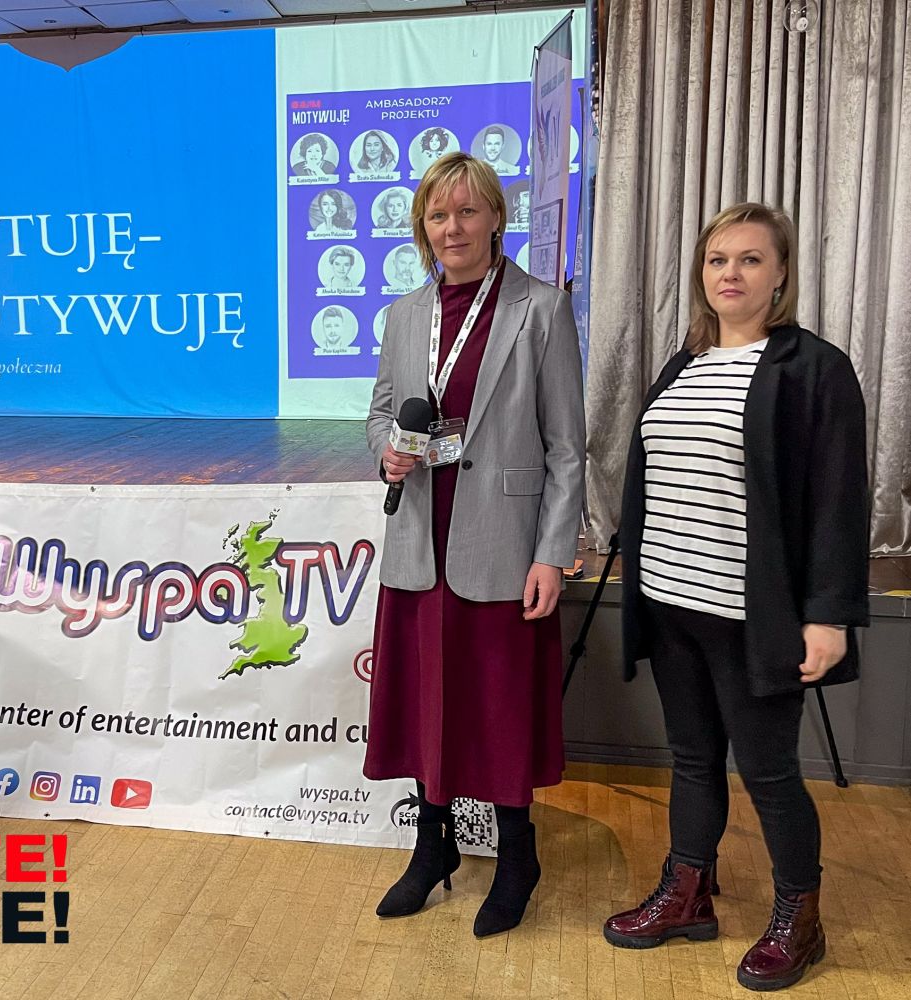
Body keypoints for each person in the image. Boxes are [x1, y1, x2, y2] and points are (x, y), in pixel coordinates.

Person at [602, 203, 869, 992]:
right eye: (717, 259)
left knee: (768, 772)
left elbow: (838, 501)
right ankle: (687, 892)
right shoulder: (682, 364)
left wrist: (827, 616)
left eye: (750, 259)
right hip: (669, 601)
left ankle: (799, 918)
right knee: (690, 759)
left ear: (779, 273)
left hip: (751, 616)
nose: (730, 273)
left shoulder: (813, 368)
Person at [364, 152, 584, 935]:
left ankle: (517, 855)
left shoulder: (539, 309)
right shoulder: (403, 315)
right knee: (427, 702)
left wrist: (551, 552)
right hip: (419, 542)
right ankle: (433, 848)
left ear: (495, 217)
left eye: (465, 211)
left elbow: (566, 448)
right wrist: (387, 453)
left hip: (502, 547)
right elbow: (381, 413)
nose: (451, 227)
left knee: (496, 708)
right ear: (421, 227)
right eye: (437, 214)